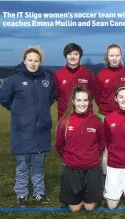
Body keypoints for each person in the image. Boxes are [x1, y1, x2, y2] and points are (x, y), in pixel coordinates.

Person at [0, 46, 56, 207]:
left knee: (38, 165)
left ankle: (39, 193)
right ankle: (21, 195)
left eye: (36, 60)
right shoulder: (13, 79)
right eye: (30, 60)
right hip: (22, 130)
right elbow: (4, 100)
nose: (33, 63)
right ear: (24, 60)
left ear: (40, 62)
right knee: (23, 165)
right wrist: (20, 111)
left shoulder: (47, 79)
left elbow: (50, 98)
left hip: (41, 130)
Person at [56, 85, 105, 212]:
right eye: (79, 100)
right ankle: (79, 196)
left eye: (85, 100)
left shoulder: (96, 121)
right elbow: (60, 146)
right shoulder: (65, 121)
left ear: (89, 101)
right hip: (72, 168)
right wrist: (71, 159)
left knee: (89, 208)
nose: (82, 104)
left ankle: (87, 196)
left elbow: (101, 144)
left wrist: (91, 158)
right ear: (73, 101)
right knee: (74, 209)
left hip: (91, 168)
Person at [96, 44, 125, 181]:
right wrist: (107, 110)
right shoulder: (101, 75)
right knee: (106, 149)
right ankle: (106, 179)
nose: (114, 58)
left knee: (124, 147)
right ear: (106, 57)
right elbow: (98, 97)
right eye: (111, 55)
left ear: (121, 56)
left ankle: (124, 179)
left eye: (117, 55)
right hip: (106, 116)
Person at [53, 43, 100, 121]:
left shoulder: (88, 74)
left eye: (76, 54)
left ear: (80, 56)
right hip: (65, 117)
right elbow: (57, 96)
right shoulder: (58, 75)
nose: (72, 57)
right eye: (69, 54)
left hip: (86, 116)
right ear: (65, 56)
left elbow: (91, 95)